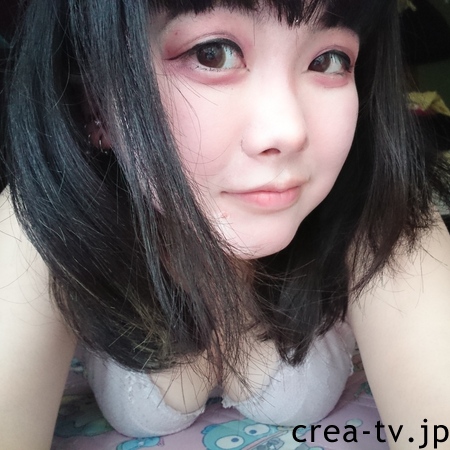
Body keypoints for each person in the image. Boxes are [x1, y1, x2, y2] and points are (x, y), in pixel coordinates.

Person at [1, 0, 450, 448]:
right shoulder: (39, 221)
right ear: (94, 101)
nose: (289, 131)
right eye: (212, 54)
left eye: (328, 61)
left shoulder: (380, 210)